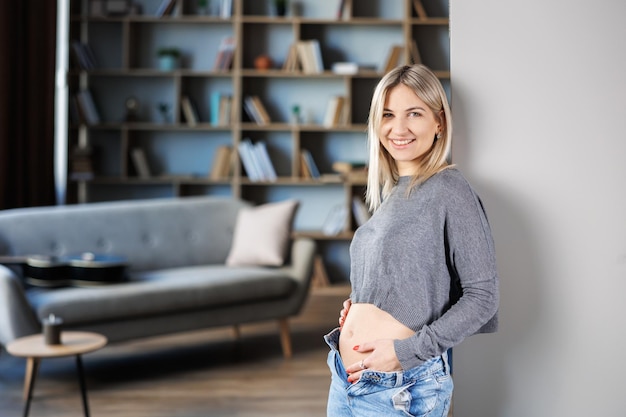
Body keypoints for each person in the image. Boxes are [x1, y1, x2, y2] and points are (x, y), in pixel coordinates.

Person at [324, 64, 499, 417]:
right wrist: (360, 304)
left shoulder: (450, 189)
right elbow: (410, 283)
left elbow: (483, 298)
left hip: (399, 384)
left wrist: (405, 352)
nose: (398, 128)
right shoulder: (392, 196)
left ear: (439, 123)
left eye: (414, 113)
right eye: (388, 114)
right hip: (346, 379)